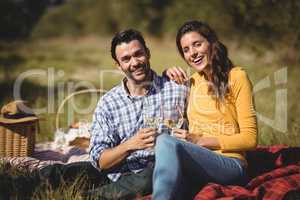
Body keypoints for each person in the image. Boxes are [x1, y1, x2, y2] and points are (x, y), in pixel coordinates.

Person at [0, 29, 187, 200]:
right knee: (64, 172)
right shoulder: (108, 103)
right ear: (118, 65)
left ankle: (86, 197)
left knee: (152, 176)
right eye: (126, 58)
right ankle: (13, 185)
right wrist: (129, 145)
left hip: (157, 170)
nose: (135, 62)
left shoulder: (176, 89)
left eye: (138, 54)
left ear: (148, 53)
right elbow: (101, 161)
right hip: (116, 171)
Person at [153, 20, 257, 200]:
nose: (192, 53)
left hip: (231, 164)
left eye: (197, 44)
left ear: (211, 43)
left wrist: (201, 141)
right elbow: (162, 94)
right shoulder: (192, 82)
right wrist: (166, 73)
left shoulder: (237, 76)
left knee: (164, 141)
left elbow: (250, 139)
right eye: (186, 50)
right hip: (199, 162)